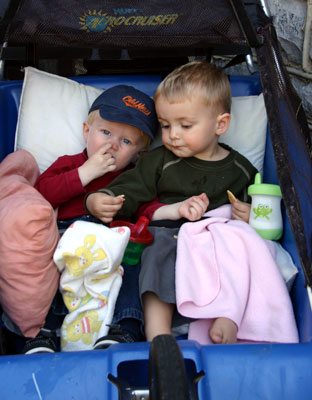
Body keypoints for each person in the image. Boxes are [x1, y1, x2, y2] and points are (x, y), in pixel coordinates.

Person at [85, 61, 258, 344]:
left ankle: (227, 319)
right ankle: (159, 333)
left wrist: (252, 216)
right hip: (170, 236)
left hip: (216, 243)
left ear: (220, 124)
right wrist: (102, 199)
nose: (173, 135)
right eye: (165, 125)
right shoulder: (160, 160)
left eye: (185, 125)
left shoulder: (241, 170)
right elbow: (132, 187)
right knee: (155, 253)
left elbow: (265, 214)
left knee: (242, 249)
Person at [22, 85, 158, 353]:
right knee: (43, 268)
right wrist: (85, 173)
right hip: (64, 238)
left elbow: (149, 210)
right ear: (87, 131)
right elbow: (40, 196)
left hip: (112, 245)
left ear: (139, 154)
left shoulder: (135, 176)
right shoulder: (70, 163)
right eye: (105, 132)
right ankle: (42, 332)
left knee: (134, 268)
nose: (112, 145)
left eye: (126, 142)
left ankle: (124, 329)